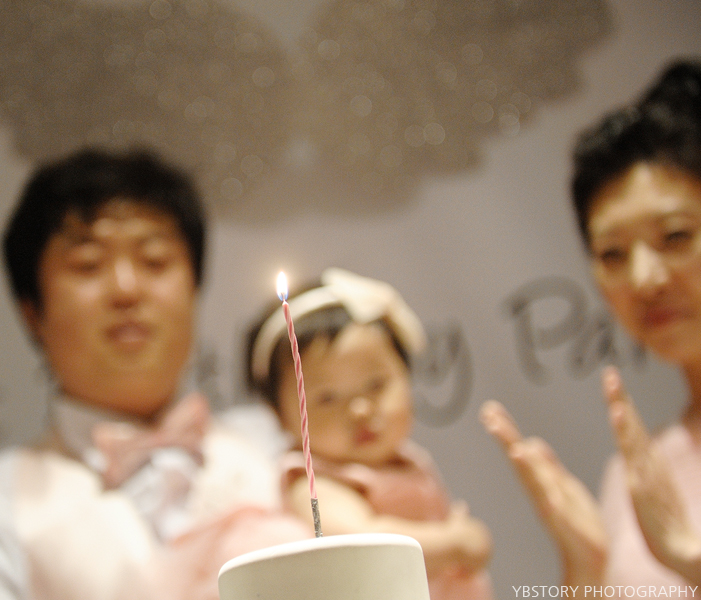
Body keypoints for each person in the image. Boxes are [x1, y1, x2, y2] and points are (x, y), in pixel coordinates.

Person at [0, 148, 309, 600]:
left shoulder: (288, 449)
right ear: (32, 311)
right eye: (88, 265)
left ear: (194, 290)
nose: (126, 289)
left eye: (154, 260)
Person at [480, 58, 701, 593]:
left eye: (675, 236)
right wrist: (584, 570)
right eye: (612, 254)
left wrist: (688, 557)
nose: (644, 279)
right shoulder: (637, 475)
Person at [245, 267, 494, 600]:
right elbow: (362, 544)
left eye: (376, 385)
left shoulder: (410, 462)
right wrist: (453, 543)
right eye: (327, 398)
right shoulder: (314, 482)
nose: (359, 410)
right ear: (280, 415)